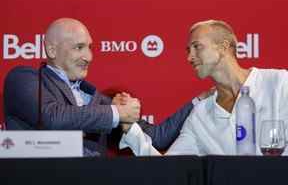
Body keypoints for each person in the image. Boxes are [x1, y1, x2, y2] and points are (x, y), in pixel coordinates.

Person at [3, 18, 204, 156]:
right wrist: (116, 112)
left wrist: (200, 101)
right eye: (78, 47)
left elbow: (158, 137)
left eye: (90, 47)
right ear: (52, 50)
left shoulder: (98, 101)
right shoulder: (25, 79)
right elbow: (52, 117)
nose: (88, 57)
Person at [119, 19, 288, 156]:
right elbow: (169, 168)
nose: (189, 57)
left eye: (196, 47)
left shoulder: (280, 83)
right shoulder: (200, 115)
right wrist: (131, 130)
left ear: (223, 47)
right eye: (188, 50)